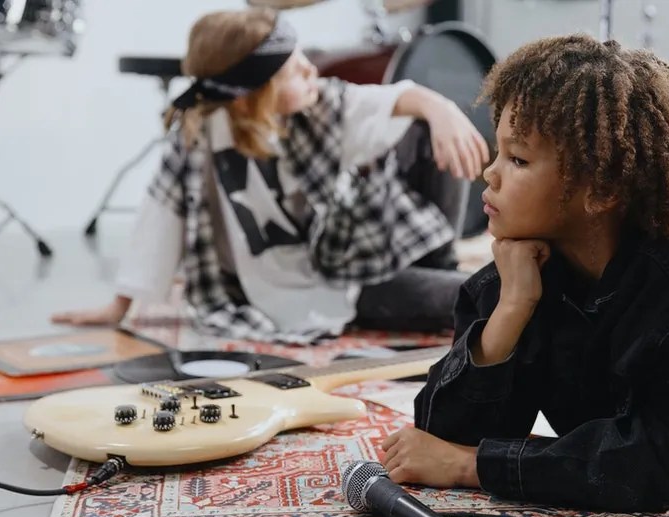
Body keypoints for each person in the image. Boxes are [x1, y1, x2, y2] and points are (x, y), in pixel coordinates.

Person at [381, 34, 669, 517]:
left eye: (519, 159)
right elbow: (436, 437)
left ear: (603, 189)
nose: (490, 174)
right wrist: (511, 311)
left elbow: (660, 466)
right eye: (498, 151)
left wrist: (473, 465)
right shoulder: (519, 269)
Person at [53, 7, 489, 343]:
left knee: (423, 121)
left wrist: (443, 109)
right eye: (292, 70)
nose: (310, 70)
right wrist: (118, 306)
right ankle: (445, 284)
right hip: (336, 283)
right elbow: (159, 219)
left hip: (359, 243)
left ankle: (439, 262)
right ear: (249, 98)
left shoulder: (319, 107)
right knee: (482, 296)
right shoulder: (197, 144)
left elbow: (393, 98)